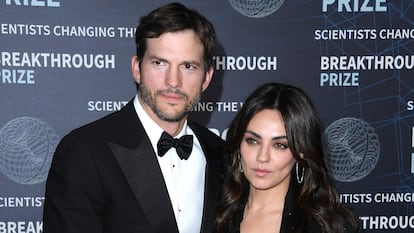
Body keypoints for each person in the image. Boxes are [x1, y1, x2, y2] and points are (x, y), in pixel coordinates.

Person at [43, 2, 223, 233]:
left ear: (206, 78)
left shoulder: (219, 152)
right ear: (137, 68)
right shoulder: (84, 152)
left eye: (188, 66)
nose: (173, 81)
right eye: (159, 63)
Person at [216, 83, 360, 233]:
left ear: (302, 151)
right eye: (253, 141)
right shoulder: (214, 214)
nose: (262, 157)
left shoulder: (327, 226)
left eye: (280, 145)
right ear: (239, 144)